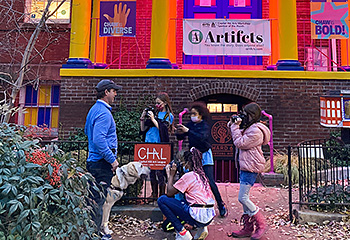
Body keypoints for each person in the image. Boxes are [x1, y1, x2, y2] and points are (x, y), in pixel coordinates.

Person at [227, 102, 271, 240]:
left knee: (243, 198)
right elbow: (237, 134)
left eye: (246, 115)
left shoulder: (256, 131)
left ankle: (261, 224)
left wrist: (235, 126)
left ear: (252, 115)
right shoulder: (250, 127)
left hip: (251, 166)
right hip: (246, 165)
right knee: (243, 198)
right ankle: (247, 228)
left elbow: (239, 142)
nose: (244, 117)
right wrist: (232, 123)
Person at [176, 102, 227, 217]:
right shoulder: (190, 125)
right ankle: (191, 204)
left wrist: (188, 131)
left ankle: (220, 204)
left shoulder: (205, 126)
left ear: (201, 114)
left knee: (209, 180)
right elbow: (181, 137)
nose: (192, 116)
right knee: (191, 179)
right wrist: (178, 132)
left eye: (194, 114)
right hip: (193, 155)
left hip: (204, 154)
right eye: (191, 114)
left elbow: (202, 137)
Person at [84, 79, 122, 237]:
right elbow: (99, 139)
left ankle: (90, 232)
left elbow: (88, 132)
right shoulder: (104, 113)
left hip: (94, 161)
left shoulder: (94, 109)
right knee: (98, 201)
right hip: (101, 164)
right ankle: (95, 235)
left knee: (92, 199)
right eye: (114, 91)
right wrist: (112, 160)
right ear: (106, 92)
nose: (115, 94)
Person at [158, 148, 216, 240]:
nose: (182, 165)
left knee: (162, 200)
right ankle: (202, 228)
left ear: (188, 163)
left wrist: (170, 175)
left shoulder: (188, 176)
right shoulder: (203, 176)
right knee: (187, 199)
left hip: (197, 216)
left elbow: (169, 193)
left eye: (183, 162)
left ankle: (182, 233)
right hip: (209, 216)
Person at [140, 92, 175, 199]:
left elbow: (163, 129)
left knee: (160, 171)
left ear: (164, 103)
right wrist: (143, 117)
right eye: (156, 103)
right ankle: (154, 194)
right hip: (149, 143)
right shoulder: (154, 114)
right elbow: (143, 129)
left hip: (160, 145)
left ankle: (162, 194)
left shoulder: (168, 116)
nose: (157, 105)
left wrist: (154, 120)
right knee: (151, 171)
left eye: (158, 103)